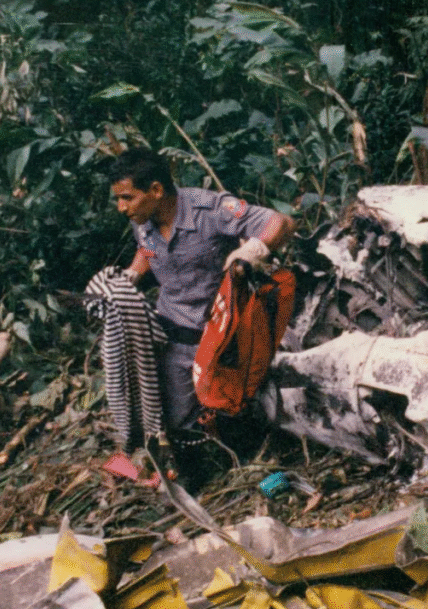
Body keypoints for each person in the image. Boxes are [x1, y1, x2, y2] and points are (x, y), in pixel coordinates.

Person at [109, 147, 294, 442]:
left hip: (223, 337)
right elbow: (147, 248)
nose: (121, 207)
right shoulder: (141, 220)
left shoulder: (209, 209)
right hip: (174, 336)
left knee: (240, 419)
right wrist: (133, 273)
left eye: (126, 197)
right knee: (182, 428)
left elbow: (280, 222)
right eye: (118, 198)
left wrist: (252, 250)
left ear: (156, 190)